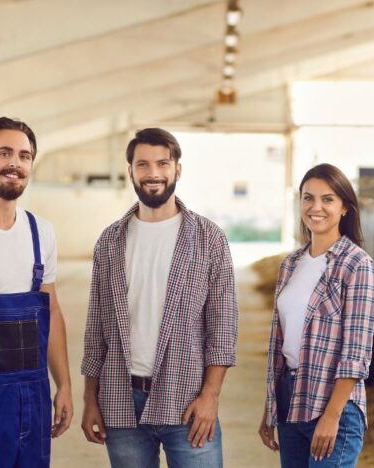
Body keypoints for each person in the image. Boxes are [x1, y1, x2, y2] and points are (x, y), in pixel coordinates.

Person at [81, 127, 238, 468]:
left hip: (188, 400)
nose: (153, 173)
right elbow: (96, 329)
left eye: (163, 163)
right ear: (131, 171)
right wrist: (90, 398)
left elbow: (222, 330)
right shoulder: (109, 242)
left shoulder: (209, 239)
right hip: (121, 401)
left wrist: (210, 397)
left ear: (177, 169)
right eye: (143, 164)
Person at [0, 117, 73, 467]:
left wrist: (64, 384)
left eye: (25, 156)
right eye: (4, 153)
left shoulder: (42, 232)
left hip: (33, 392)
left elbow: (51, 311)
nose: (15, 163)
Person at [259, 163, 374, 467]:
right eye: (308, 198)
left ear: (344, 208)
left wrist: (332, 415)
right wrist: (270, 407)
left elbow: (356, 352)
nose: (316, 207)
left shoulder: (357, 266)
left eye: (327, 199)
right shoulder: (291, 264)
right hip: (290, 398)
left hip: (332, 403)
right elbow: (281, 343)